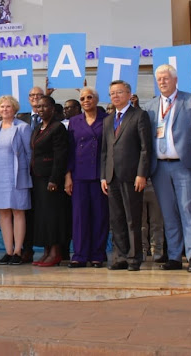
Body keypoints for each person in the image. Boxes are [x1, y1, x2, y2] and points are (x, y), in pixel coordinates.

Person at [144, 64, 191, 273]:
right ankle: (175, 256)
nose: (162, 82)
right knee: (168, 213)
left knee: (188, 210)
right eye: (159, 79)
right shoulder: (150, 106)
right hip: (159, 167)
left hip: (184, 165)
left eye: (166, 78)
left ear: (175, 80)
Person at [101, 80, 151, 272]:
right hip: (112, 176)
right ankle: (120, 256)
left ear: (129, 94)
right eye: (112, 93)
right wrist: (103, 176)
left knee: (133, 219)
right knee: (117, 218)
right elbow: (105, 151)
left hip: (132, 176)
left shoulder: (139, 115)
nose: (115, 96)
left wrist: (141, 174)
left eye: (119, 92)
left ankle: (134, 257)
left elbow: (145, 149)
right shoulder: (108, 120)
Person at [64, 87, 109, 268]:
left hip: (100, 174)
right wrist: (68, 176)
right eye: (82, 98)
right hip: (79, 174)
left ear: (96, 100)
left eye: (89, 97)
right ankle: (80, 254)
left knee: (99, 215)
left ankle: (98, 253)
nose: (86, 101)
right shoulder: (74, 121)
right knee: (80, 216)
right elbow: (69, 149)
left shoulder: (106, 120)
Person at [0, 95, 32, 265]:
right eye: (2, 107)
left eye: (8, 107)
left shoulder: (23, 128)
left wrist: (27, 175)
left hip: (16, 176)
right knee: (3, 213)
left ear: (15, 109)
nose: (5, 110)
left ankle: (18, 251)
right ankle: (8, 251)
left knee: (18, 211)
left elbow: (29, 153)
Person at [30, 95, 69, 267]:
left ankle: (55, 252)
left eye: (44, 106)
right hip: (37, 178)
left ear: (53, 109)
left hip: (51, 179)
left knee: (53, 216)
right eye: (38, 107)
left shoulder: (57, 127)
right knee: (42, 216)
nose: (41, 109)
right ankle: (46, 252)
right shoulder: (38, 128)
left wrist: (55, 179)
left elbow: (60, 155)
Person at [17, 85, 45, 263]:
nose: (35, 97)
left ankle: (50, 249)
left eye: (38, 95)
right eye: (31, 95)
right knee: (24, 212)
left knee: (44, 212)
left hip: (43, 173)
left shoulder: (50, 116)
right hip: (22, 173)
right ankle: (26, 249)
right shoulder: (20, 118)